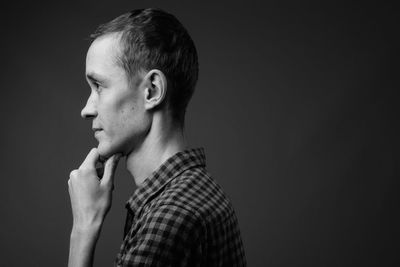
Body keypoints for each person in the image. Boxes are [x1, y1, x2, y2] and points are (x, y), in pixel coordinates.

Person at [68, 8, 246, 267]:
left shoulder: (170, 217)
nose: (87, 109)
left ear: (152, 90)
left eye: (99, 86)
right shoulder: (195, 192)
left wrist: (84, 227)